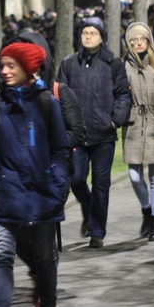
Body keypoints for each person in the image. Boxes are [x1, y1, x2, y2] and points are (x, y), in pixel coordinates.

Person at [0, 42, 69, 307]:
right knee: (2, 255)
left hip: (41, 197)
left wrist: (57, 183)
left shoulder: (46, 103)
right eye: (2, 65)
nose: (4, 71)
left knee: (44, 256)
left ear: (30, 68)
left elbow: (60, 149)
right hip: (5, 196)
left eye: (11, 65)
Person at [57, 16, 131, 248]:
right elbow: (59, 94)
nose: (88, 36)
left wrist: (115, 121)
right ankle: (89, 212)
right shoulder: (69, 64)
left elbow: (124, 95)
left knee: (101, 183)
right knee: (77, 179)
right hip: (77, 134)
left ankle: (97, 231)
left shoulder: (113, 64)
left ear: (102, 37)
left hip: (104, 135)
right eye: (84, 32)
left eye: (93, 33)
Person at [121, 22, 154, 241]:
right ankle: (147, 210)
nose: (139, 43)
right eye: (134, 40)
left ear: (149, 41)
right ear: (129, 43)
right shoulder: (123, 67)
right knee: (134, 175)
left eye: (142, 39)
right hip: (132, 124)